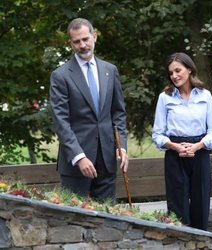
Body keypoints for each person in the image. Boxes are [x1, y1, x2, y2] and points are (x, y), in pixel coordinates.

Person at [50, 18, 128, 202]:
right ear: (70, 43)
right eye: (76, 41)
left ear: (94, 37)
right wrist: (79, 157)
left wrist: (122, 147)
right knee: (74, 223)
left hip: (107, 161)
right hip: (76, 165)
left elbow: (118, 113)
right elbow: (61, 121)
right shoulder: (60, 76)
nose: (82, 45)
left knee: (108, 223)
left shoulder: (110, 70)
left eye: (85, 39)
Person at [152, 52, 212, 230]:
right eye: (171, 73)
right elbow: (158, 134)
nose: (174, 76)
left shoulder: (204, 96)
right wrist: (174, 146)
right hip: (175, 156)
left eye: (178, 70)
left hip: (200, 154)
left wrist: (198, 146)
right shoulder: (164, 98)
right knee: (177, 210)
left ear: (189, 69)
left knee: (201, 205)